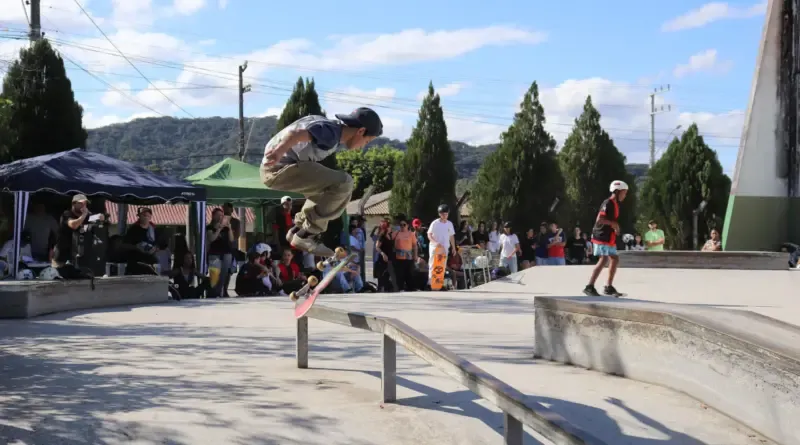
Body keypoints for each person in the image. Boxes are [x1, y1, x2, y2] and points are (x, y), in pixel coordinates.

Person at [260, 107, 383, 257]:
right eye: (367, 141)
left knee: (326, 191)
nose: (363, 146)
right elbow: (294, 134)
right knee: (344, 183)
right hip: (279, 170)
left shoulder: (330, 127)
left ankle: (297, 230)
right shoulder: (332, 133)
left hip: (283, 168)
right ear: (361, 131)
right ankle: (307, 235)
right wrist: (279, 151)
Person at [583, 180, 629, 297]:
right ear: (617, 191)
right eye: (624, 192)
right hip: (601, 235)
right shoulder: (608, 202)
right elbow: (599, 219)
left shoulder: (615, 204)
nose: (625, 195)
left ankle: (608, 287)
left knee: (614, 259)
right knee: (603, 260)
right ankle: (589, 286)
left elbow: (610, 221)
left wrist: (615, 227)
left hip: (609, 236)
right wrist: (613, 224)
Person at [53, 194, 104, 268]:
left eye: (85, 203)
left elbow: (96, 219)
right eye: (81, 203)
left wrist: (100, 217)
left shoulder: (87, 216)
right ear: (74, 203)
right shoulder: (66, 214)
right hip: (62, 255)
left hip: (78, 256)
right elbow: (73, 225)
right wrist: (84, 215)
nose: (83, 205)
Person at [426, 204, 457, 285]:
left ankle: (439, 283)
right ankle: (430, 283)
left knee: (442, 266)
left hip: (445, 247)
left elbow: (451, 236)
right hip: (435, 247)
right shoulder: (435, 223)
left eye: (446, 214)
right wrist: (435, 243)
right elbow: (429, 234)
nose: (445, 216)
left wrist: (454, 248)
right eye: (443, 214)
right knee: (433, 264)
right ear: (439, 214)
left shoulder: (449, 224)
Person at [393, 216, 418, 291]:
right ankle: (400, 287)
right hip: (398, 256)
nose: (402, 226)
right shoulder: (396, 233)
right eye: (401, 225)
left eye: (404, 225)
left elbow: (414, 245)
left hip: (408, 256)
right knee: (400, 273)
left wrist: (415, 255)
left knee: (409, 273)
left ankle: (411, 287)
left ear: (407, 225)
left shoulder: (411, 234)